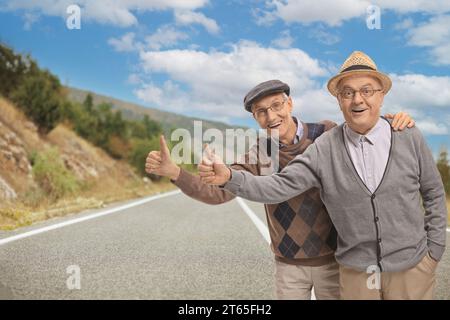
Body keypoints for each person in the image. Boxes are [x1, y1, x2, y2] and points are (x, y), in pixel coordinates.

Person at [199, 51, 447, 300]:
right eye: (347, 93)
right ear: (339, 100)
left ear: (381, 95)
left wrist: (434, 251)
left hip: (413, 269)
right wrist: (229, 177)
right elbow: (279, 186)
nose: (357, 100)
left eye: (367, 90)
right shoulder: (324, 146)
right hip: (356, 275)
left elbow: (433, 191)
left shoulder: (407, 135)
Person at [146, 76, 414, 300]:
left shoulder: (327, 133)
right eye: (261, 112)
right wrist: (175, 173)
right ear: (255, 118)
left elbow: (365, 135)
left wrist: (392, 122)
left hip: (334, 260)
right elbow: (218, 191)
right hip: (288, 265)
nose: (271, 116)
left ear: (290, 104)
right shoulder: (258, 153)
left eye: (276, 106)